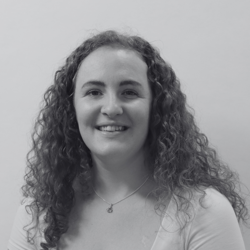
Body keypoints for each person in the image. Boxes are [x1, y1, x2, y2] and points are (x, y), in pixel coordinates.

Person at [8, 30, 248, 250]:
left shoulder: (204, 212)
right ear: (72, 109)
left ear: (157, 107)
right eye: (94, 92)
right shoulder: (37, 215)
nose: (111, 108)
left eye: (129, 92)